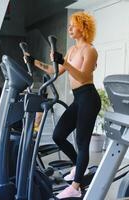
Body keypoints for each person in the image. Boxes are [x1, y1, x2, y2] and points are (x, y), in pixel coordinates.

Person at [23, 11, 101, 199]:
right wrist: (33, 61)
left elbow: (83, 76)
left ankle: (75, 187)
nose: (70, 28)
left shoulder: (90, 50)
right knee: (58, 135)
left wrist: (63, 61)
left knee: (82, 143)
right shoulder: (73, 50)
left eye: (73, 25)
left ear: (83, 27)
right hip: (78, 98)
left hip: (89, 98)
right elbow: (53, 70)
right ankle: (79, 167)